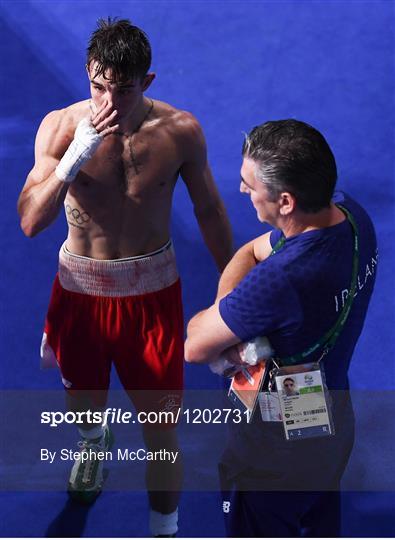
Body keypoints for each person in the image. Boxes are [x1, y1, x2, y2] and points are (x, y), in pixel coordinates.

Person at [17, 17, 233, 537]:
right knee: (83, 410)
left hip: (151, 299)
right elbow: (28, 221)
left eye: (123, 88)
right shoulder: (61, 128)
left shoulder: (180, 132)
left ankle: (164, 526)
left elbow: (208, 211)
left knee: (162, 433)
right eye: (97, 86)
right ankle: (94, 445)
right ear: (87, 75)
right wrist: (73, 160)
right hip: (80, 296)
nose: (106, 102)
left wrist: (233, 293)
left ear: (148, 82)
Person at [185, 119, 377, 537]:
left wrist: (227, 311)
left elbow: (196, 344)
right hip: (330, 426)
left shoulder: (280, 279)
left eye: (249, 185)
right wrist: (236, 309)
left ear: (285, 202)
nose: (241, 191)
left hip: (271, 456)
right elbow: (254, 248)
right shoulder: (353, 218)